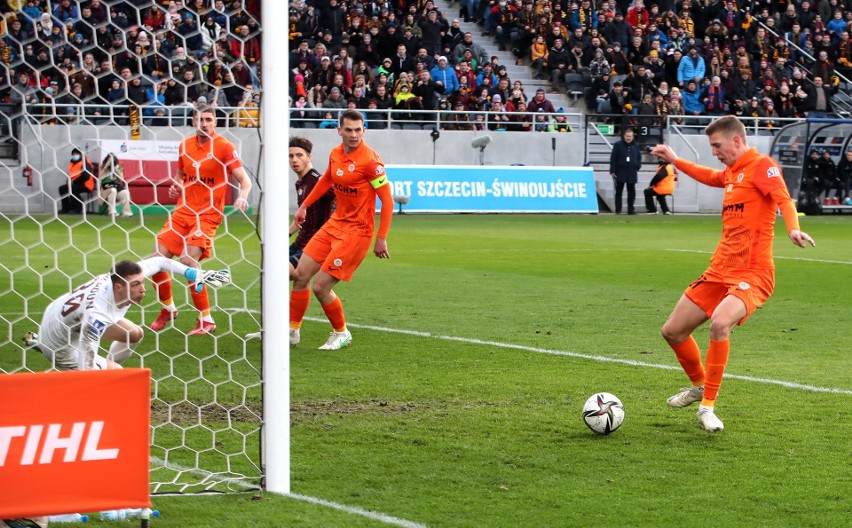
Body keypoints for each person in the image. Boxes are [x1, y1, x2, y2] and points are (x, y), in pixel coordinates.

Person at [650, 116, 815, 432]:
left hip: (753, 273)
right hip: (719, 269)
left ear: (736, 140)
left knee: (720, 322)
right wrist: (675, 160)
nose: (714, 152)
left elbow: (784, 199)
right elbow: (711, 175)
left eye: (717, 145)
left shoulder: (762, 165)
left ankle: (707, 406)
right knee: (672, 331)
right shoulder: (731, 173)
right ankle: (699, 384)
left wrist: (793, 228)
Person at [289, 109, 393, 350]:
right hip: (335, 224)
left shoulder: (370, 162)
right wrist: (304, 205)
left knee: (320, 286)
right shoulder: (336, 153)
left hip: (357, 232)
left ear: (364, 130)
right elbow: (326, 180)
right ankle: (292, 332)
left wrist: (382, 238)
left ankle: (341, 332)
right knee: (301, 274)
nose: (354, 134)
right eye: (349, 130)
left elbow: (386, 201)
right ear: (340, 131)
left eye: (358, 130)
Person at [149, 105, 252, 336]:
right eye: (200, 119)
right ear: (194, 121)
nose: (204, 123)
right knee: (155, 260)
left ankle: (206, 318)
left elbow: (245, 181)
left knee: (187, 261)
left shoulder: (225, 147)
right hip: (182, 211)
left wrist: (242, 197)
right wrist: (176, 185)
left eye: (208, 119)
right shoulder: (185, 145)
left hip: (207, 214)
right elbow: (181, 174)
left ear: (215, 122)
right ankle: (168, 308)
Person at [22, 258, 230, 371]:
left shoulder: (118, 280)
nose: (143, 289)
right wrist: (103, 373)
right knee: (116, 375)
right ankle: (47, 346)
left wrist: (193, 273)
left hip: (57, 313)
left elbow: (160, 261)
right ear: (119, 287)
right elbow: (86, 364)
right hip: (61, 348)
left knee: (135, 334)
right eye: (136, 285)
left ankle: (108, 363)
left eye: (142, 281)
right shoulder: (98, 315)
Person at [289, 136, 335, 279]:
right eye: (291, 156)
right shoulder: (300, 183)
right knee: (271, 266)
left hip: (316, 242)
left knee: (283, 272)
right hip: (301, 240)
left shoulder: (318, 181)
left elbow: (341, 200)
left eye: (299, 155)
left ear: (309, 157)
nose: (294, 160)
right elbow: (302, 219)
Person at [609, 128, 642, 214]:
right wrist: (612, 169)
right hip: (620, 171)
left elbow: (639, 158)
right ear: (624, 136)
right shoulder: (618, 145)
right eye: (627, 136)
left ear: (633, 137)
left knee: (631, 192)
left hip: (632, 172)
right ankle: (618, 210)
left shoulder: (636, 145)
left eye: (630, 136)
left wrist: (637, 166)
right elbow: (613, 158)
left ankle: (631, 210)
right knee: (619, 191)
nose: (629, 138)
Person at [59, 147, 96, 214]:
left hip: (86, 184)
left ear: (81, 154)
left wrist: (75, 182)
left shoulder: (86, 162)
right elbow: (70, 174)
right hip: (75, 183)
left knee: (73, 188)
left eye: (76, 154)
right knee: (62, 189)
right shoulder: (72, 162)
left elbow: (86, 176)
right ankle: (65, 208)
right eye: (73, 154)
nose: (74, 155)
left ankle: (78, 208)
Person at [99, 152, 133, 217]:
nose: (111, 162)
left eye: (112, 160)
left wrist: (116, 170)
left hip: (117, 189)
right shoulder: (103, 167)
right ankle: (112, 212)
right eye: (110, 160)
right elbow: (100, 178)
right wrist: (106, 167)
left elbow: (121, 180)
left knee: (125, 192)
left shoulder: (118, 167)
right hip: (105, 191)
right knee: (113, 190)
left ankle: (127, 213)